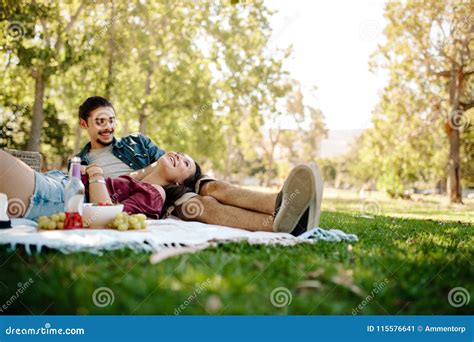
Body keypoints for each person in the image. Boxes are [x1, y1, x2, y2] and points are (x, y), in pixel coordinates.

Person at [76, 96, 324, 235]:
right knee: (202, 206)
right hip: (141, 197)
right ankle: (285, 224)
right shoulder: (83, 163)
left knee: (216, 189)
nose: (108, 127)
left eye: (111, 120)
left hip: (166, 180)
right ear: (84, 124)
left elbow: (166, 159)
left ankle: (279, 202)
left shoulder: (136, 141)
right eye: (100, 121)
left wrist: (192, 176)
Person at [0, 149, 202, 220]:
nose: (178, 156)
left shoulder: (156, 195)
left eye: (185, 163)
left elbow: (107, 216)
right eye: (180, 153)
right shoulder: (138, 180)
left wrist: (96, 172)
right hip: (58, 183)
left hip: (61, 198)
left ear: (179, 182)